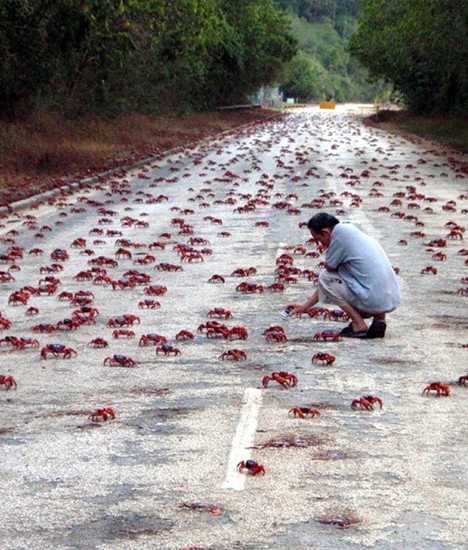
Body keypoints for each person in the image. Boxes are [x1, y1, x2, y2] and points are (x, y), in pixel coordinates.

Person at [287, 213, 400, 339]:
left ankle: (358, 324)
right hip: (390, 299)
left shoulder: (339, 238)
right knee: (362, 273)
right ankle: (379, 320)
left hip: (373, 300)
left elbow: (329, 273)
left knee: (326, 276)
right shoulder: (352, 231)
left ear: (325, 232)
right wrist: (305, 307)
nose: (320, 244)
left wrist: (331, 254)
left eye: (319, 239)